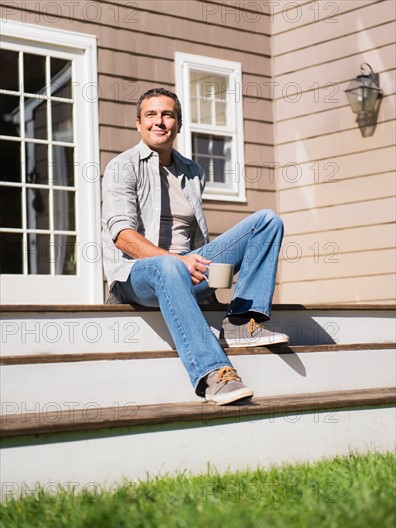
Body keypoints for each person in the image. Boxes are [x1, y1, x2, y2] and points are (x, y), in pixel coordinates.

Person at [102, 88, 288, 406]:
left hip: (186, 267)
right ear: (138, 123)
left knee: (267, 220)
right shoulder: (123, 167)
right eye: (151, 115)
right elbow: (123, 237)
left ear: (178, 123)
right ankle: (213, 374)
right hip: (137, 275)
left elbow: (198, 243)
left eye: (167, 115)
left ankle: (241, 321)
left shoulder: (192, 172)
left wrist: (213, 287)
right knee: (171, 264)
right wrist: (177, 261)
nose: (159, 121)